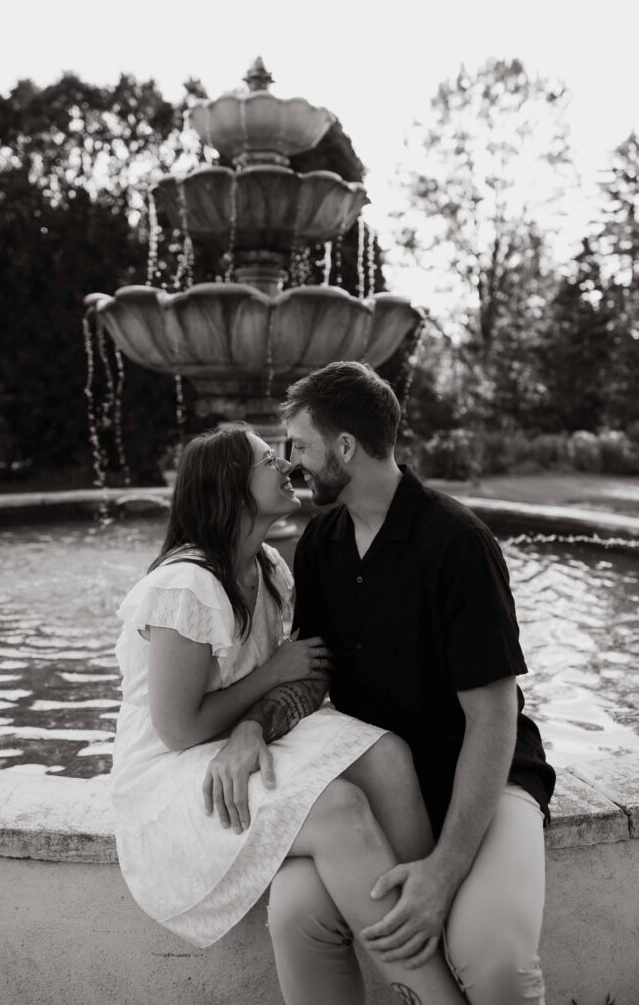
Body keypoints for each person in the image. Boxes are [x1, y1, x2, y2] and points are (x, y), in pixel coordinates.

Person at [204, 363, 557, 1005]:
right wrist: (254, 724)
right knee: (294, 916)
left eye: (300, 446)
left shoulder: (458, 543)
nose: (291, 465)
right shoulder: (320, 545)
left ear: (344, 447)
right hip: (380, 789)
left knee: (494, 959)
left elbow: (494, 718)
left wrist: (443, 873)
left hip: (485, 776)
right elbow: (313, 676)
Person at [109, 421, 467, 1004]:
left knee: (387, 752)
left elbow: (307, 675)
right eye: (266, 461)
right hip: (174, 776)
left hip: (234, 740)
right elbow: (177, 730)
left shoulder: (269, 568)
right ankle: (431, 994)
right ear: (233, 488)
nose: (286, 465)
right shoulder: (184, 585)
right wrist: (274, 675)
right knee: (339, 808)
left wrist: (257, 722)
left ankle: (439, 922)